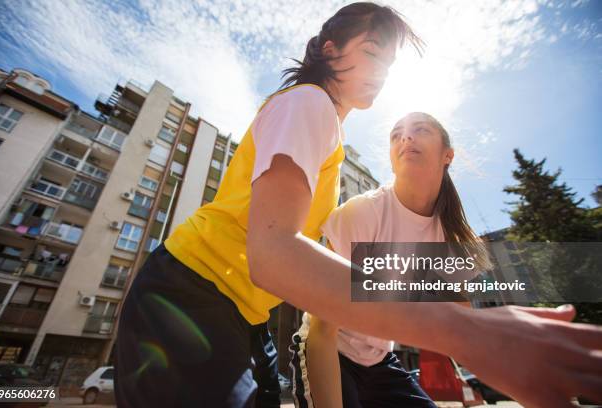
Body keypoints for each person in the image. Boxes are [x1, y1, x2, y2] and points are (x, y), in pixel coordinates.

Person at [114, 2, 602, 407]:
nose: (379, 73)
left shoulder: (329, 130)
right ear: (330, 50)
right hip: (189, 292)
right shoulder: (308, 104)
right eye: (370, 53)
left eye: (387, 65)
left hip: (245, 314)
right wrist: (466, 330)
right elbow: (273, 253)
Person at [290, 112, 485, 408]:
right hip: (328, 350)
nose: (406, 137)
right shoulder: (362, 213)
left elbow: (459, 323)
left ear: (448, 155)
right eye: (396, 135)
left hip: (380, 359)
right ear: (392, 159)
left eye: (420, 130)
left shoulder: (452, 237)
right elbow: (321, 332)